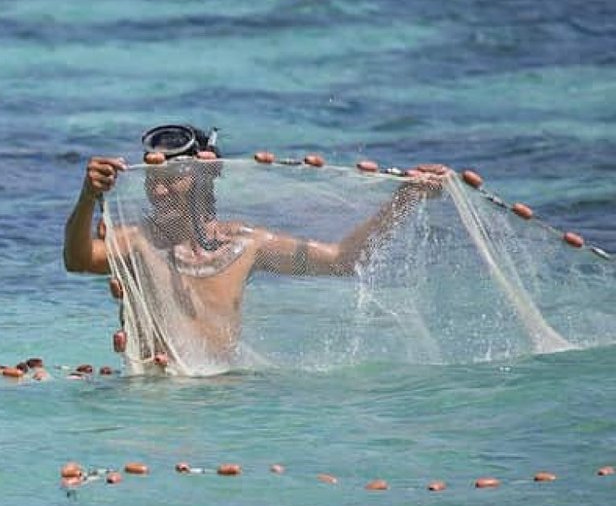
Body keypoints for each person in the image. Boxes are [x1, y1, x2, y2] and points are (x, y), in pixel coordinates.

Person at [62, 124, 448, 371]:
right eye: (153, 179)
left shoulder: (245, 245)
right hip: (152, 396)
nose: (158, 189)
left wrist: (403, 201)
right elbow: (78, 261)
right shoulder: (137, 241)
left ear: (206, 175)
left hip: (224, 396)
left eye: (173, 178)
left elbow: (343, 260)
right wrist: (86, 196)